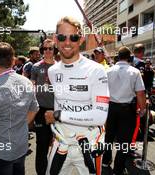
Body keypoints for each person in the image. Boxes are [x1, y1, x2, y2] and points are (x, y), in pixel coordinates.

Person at [45, 16, 109, 175]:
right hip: (61, 143)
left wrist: (59, 115)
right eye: (62, 37)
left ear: (80, 39)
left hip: (89, 144)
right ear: (55, 39)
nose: (67, 43)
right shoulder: (52, 71)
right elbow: (60, 101)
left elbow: (100, 116)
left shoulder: (96, 70)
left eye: (73, 37)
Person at [0, 42, 39, 175]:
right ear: (14, 59)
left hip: (0, 149)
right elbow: (34, 108)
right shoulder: (26, 82)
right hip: (20, 145)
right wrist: (19, 124)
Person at [102, 46, 146, 174]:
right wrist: (142, 109)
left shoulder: (108, 71)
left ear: (118, 57)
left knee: (109, 136)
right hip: (127, 110)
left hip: (110, 108)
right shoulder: (135, 71)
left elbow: (102, 91)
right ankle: (118, 169)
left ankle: (105, 161)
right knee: (124, 141)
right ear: (129, 57)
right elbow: (140, 93)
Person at [31, 38, 55, 175]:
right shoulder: (36, 67)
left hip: (57, 110)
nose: (47, 51)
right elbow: (31, 86)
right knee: (42, 145)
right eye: (45, 48)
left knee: (58, 144)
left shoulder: (60, 67)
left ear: (54, 50)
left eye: (50, 48)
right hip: (41, 110)